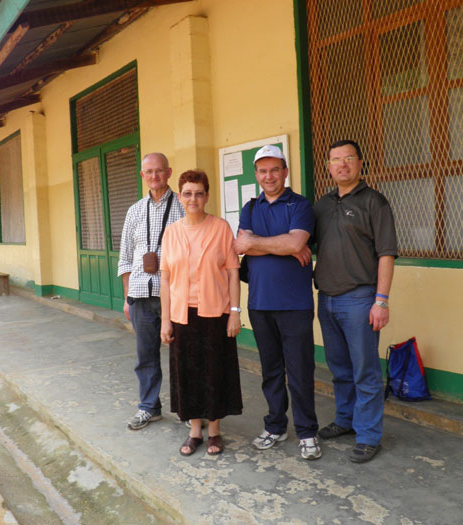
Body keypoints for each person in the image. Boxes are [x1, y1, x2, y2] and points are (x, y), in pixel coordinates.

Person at [233, 144, 321, 461]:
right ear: (256, 175)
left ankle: (308, 432)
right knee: (271, 370)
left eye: (274, 169)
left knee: (299, 370)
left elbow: (296, 241)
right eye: (262, 170)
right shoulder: (250, 207)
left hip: (295, 303)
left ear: (285, 171)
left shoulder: (300, 205)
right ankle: (275, 426)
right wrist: (282, 245)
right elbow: (241, 246)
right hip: (259, 302)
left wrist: (272, 243)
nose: (269, 176)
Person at [313, 139, 397, 463]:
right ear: (329, 166)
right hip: (328, 300)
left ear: (360, 163)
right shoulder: (321, 206)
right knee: (339, 367)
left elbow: (386, 254)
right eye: (336, 160)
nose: (342, 164)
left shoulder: (375, 202)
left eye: (349, 158)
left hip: (361, 299)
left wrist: (382, 301)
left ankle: (369, 434)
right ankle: (346, 420)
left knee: (366, 371)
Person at [160, 170, 242, 456]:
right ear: (180, 196)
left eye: (198, 193)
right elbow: (166, 279)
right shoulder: (171, 233)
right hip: (182, 316)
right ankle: (195, 430)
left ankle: (215, 431)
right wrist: (165, 320)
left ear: (206, 196)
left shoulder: (221, 228)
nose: (193, 198)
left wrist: (235, 312)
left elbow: (233, 273)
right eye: (187, 193)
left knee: (215, 372)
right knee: (189, 374)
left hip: (215, 314)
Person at [118, 153, 185, 431]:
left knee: (182, 355)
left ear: (169, 172)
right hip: (140, 297)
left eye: (159, 171)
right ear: (142, 175)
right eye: (149, 172)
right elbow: (125, 257)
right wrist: (126, 297)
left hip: (176, 295)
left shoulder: (183, 205)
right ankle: (149, 407)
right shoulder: (134, 211)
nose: (155, 176)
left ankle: (187, 410)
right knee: (146, 356)